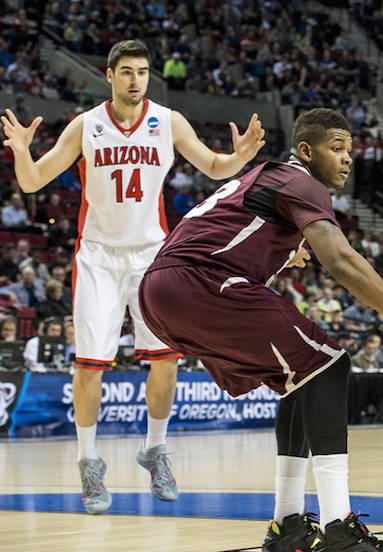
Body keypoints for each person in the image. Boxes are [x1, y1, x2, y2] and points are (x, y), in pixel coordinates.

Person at [138, 108, 383, 552]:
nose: (348, 158)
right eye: (337, 148)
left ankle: (288, 524)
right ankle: (339, 530)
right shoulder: (300, 181)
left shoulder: (266, 179)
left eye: (351, 150)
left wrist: (275, 251)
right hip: (200, 281)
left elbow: (231, 227)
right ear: (307, 151)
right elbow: (342, 261)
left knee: (303, 377)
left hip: (164, 288)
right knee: (331, 364)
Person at [1, 39, 266, 515]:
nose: (135, 79)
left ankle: (155, 449)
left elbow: (212, 166)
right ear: (109, 75)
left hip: (151, 256)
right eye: (126, 71)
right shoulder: (87, 125)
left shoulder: (168, 121)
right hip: (98, 257)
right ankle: (88, 462)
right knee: (89, 365)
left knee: (166, 359)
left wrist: (239, 157)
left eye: (142, 71)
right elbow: (33, 181)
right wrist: (22, 151)